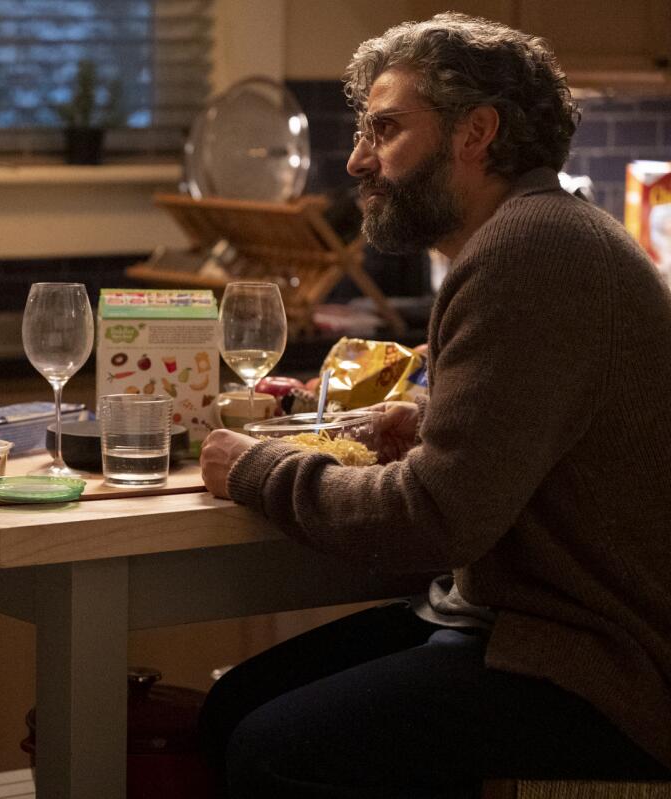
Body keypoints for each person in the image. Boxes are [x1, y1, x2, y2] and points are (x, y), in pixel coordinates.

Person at [197, 13, 671, 798]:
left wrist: (257, 468)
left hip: (604, 663)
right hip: (519, 624)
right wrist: (431, 426)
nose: (357, 160)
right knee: (232, 707)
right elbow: (545, 445)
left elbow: (435, 518)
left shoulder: (531, 249)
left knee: (273, 747)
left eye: (384, 130)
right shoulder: (532, 235)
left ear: (475, 132)